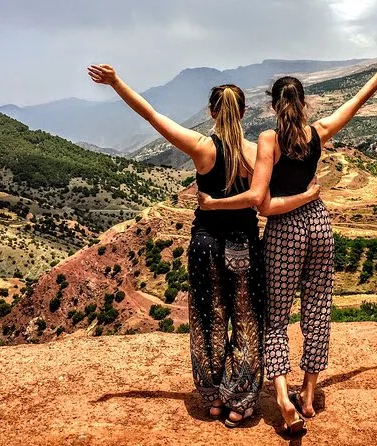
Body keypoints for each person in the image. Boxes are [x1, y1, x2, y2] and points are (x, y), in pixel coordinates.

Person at [198, 35, 377, 435]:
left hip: (286, 231)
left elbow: (263, 205)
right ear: (304, 103)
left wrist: (290, 197)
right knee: (317, 310)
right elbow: (356, 102)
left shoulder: (270, 140)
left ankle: (284, 399)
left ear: (273, 106)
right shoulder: (317, 133)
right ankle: (309, 394)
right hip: (319, 225)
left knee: (276, 318)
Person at [87, 65, 320, 428]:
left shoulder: (200, 148)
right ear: (243, 112)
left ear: (212, 112)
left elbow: (151, 115)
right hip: (244, 244)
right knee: (246, 321)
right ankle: (240, 401)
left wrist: (116, 82)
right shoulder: (256, 152)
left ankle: (213, 399)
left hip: (205, 244)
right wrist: (308, 195)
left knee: (210, 319)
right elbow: (274, 190)